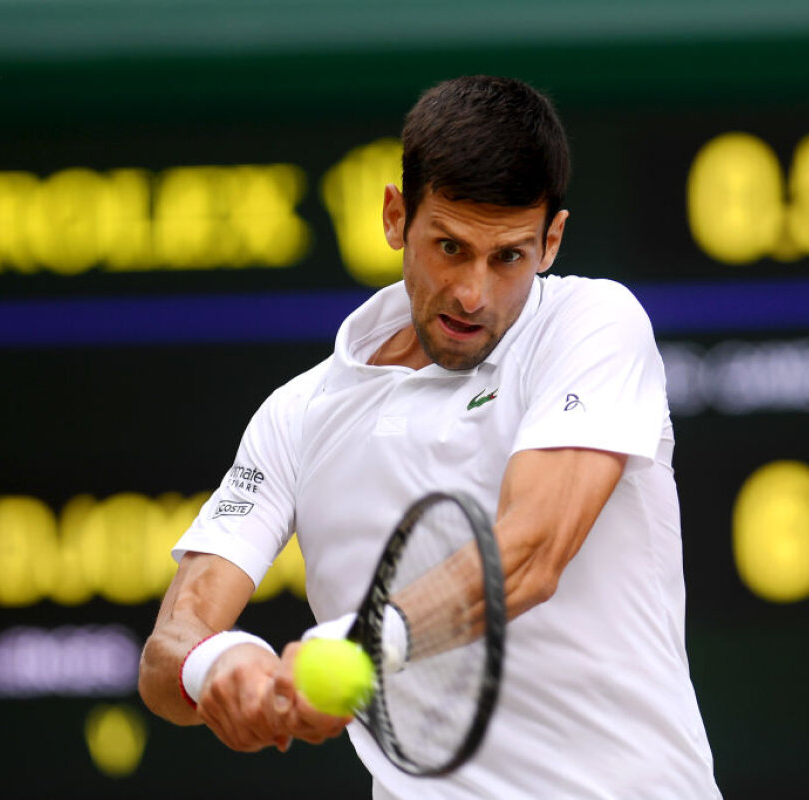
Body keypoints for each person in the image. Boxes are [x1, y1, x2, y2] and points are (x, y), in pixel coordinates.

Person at [139, 74, 721, 798]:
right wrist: (216, 665)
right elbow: (170, 647)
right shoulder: (295, 416)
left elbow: (530, 554)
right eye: (449, 246)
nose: (473, 292)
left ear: (552, 241)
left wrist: (352, 653)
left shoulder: (593, 324)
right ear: (394, 217)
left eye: (507, 256)